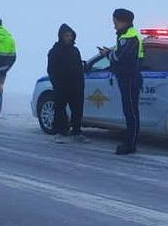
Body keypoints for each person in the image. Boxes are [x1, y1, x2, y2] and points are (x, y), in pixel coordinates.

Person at [98, 8, 144, 155]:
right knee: (129, 111)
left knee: (131, 112)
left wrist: (108, 54)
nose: (114, 25)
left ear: (124, 21)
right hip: (127, 77)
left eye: (115, 22)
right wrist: (110, 54)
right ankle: (129, 142)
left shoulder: (130, 37)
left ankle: (130, 144)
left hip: (130, 78)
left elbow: (120, 57)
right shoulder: (125, 36)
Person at [47, 23, 87, 143]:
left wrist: (81, 85)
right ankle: (61, 132)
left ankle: (77, 132)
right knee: (60, 109)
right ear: (61, 36)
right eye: (66, 35)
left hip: (76, 86)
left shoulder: (75, 51)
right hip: (61, 86)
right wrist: (57, 84)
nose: (69, 38)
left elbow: (79, 68)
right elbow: (51, 70)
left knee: (77, 110)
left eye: (70, 35)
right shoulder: (55, 51)